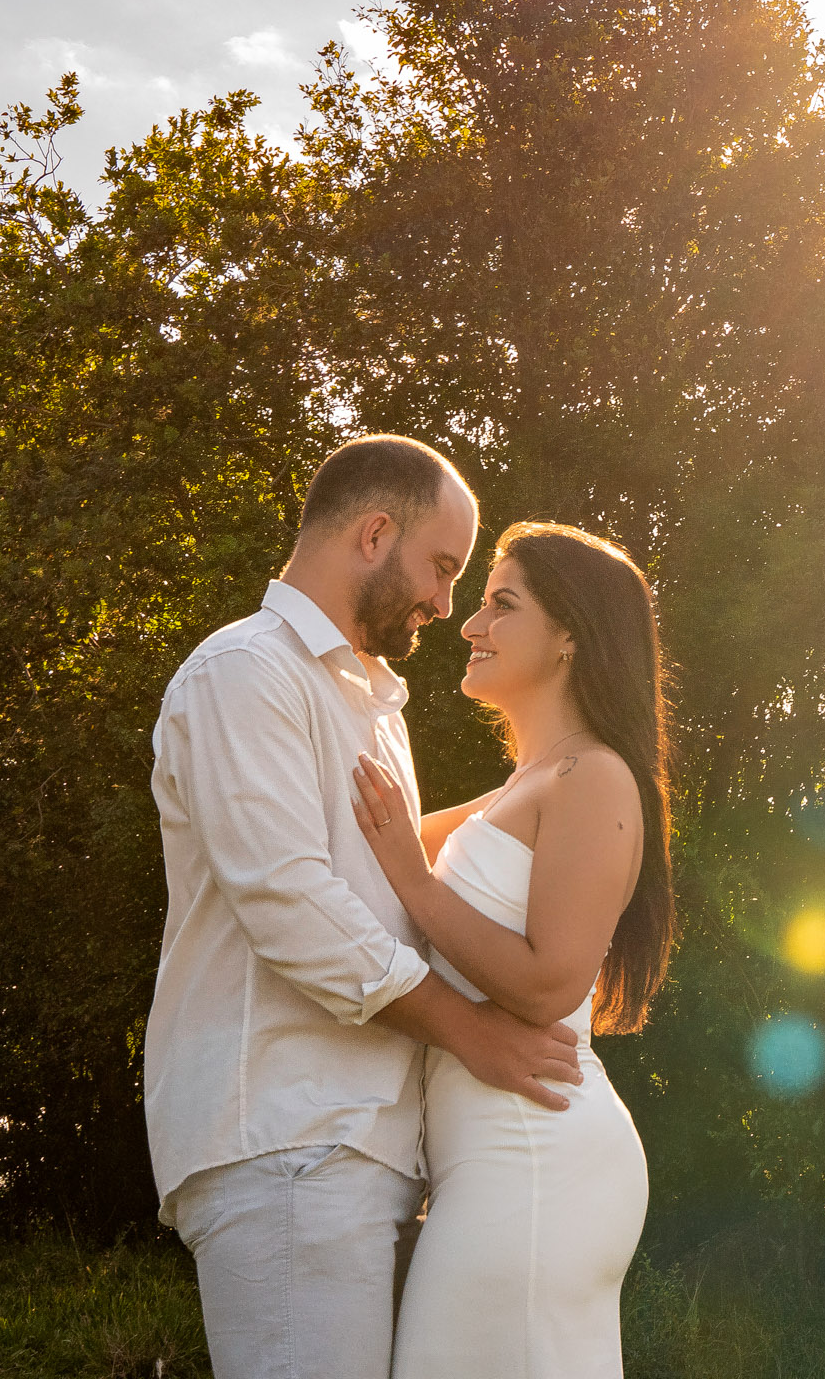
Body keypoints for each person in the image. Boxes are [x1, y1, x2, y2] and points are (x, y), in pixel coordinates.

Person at [145, 436, 585, 1379]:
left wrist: (559, 783)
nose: (442, 602)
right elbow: (292, 905)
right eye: (440, 567)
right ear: (374, 533)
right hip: (287, 1134)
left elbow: (402, 874)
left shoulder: (373, 706)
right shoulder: (246, 673)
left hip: (363, 1145)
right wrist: (470, 1032)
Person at [349, 520, 677, 1379]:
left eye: (502, 604)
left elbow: (549, 983)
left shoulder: (594, 778)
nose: (469, 625)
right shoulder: (519, 788)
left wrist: (418, 889)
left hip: (537, 1159)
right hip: (486, 1163)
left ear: (570, 635)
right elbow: (359, 849)